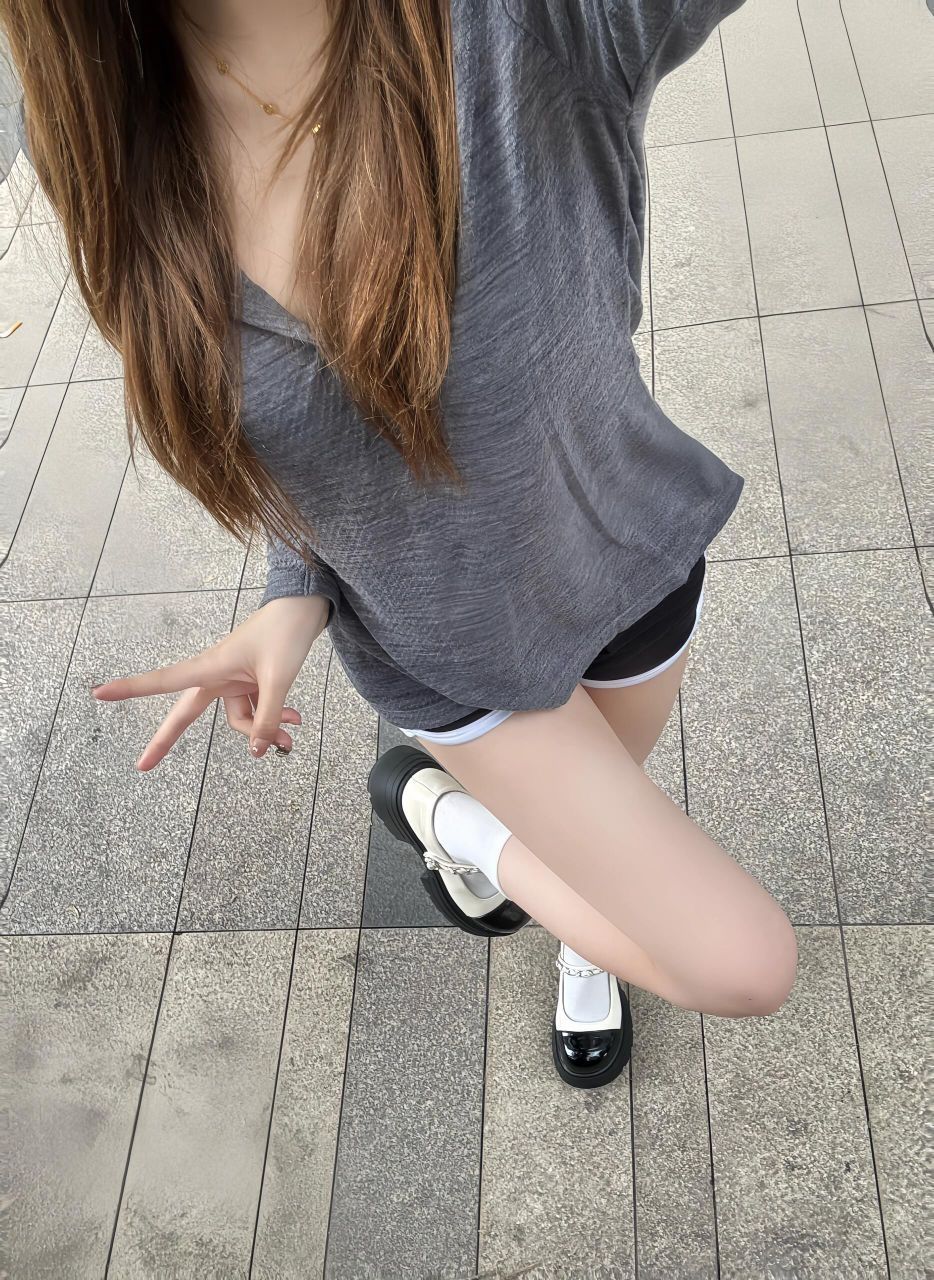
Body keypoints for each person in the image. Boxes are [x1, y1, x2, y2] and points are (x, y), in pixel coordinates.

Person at [4, 0, 797, 1090]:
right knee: (739, 961)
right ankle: (463, 825)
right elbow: (291, 424)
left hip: (627, 561)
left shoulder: (522, 28)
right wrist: (295, 585)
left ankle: (546, 908)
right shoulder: (98, 121)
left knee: (614, 847)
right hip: (448, 658)